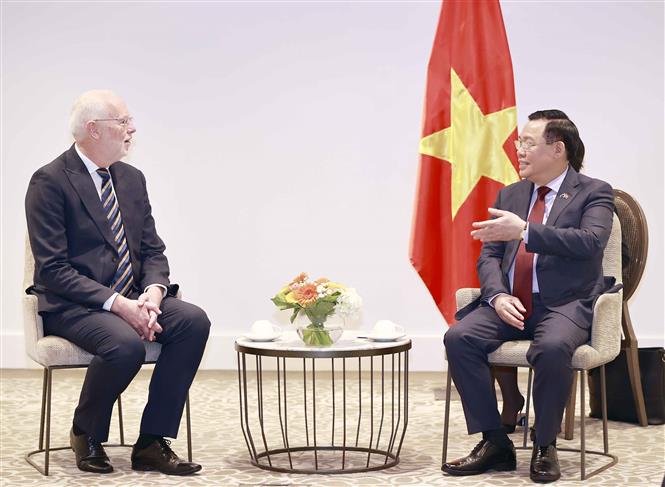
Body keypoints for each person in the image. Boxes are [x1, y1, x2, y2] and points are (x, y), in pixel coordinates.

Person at [25, 90, 211, 476]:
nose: (132, 129)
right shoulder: (50, 181)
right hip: (74, 304)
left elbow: (152, 249)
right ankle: (86, 432)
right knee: (124, 345)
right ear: (93, 129)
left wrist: (154, 292)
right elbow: (53, 269)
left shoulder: (131, 179)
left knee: (193, 321)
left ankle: (152, 442)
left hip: (132, 295)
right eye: (123, 121)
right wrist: (119, 305)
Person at [442, 110, 617, 483]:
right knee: (459, 338)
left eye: (528, 142)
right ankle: (495, 442)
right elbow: (490, 256)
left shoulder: (594, 191)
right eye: (519, 142)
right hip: (512, 303)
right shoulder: (511, 194)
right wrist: (496, 296)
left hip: (564, 304)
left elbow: (590, 242)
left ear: (558, 149)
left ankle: (545, 444)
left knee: (551, 348)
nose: (518, 150)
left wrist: (524, 230)